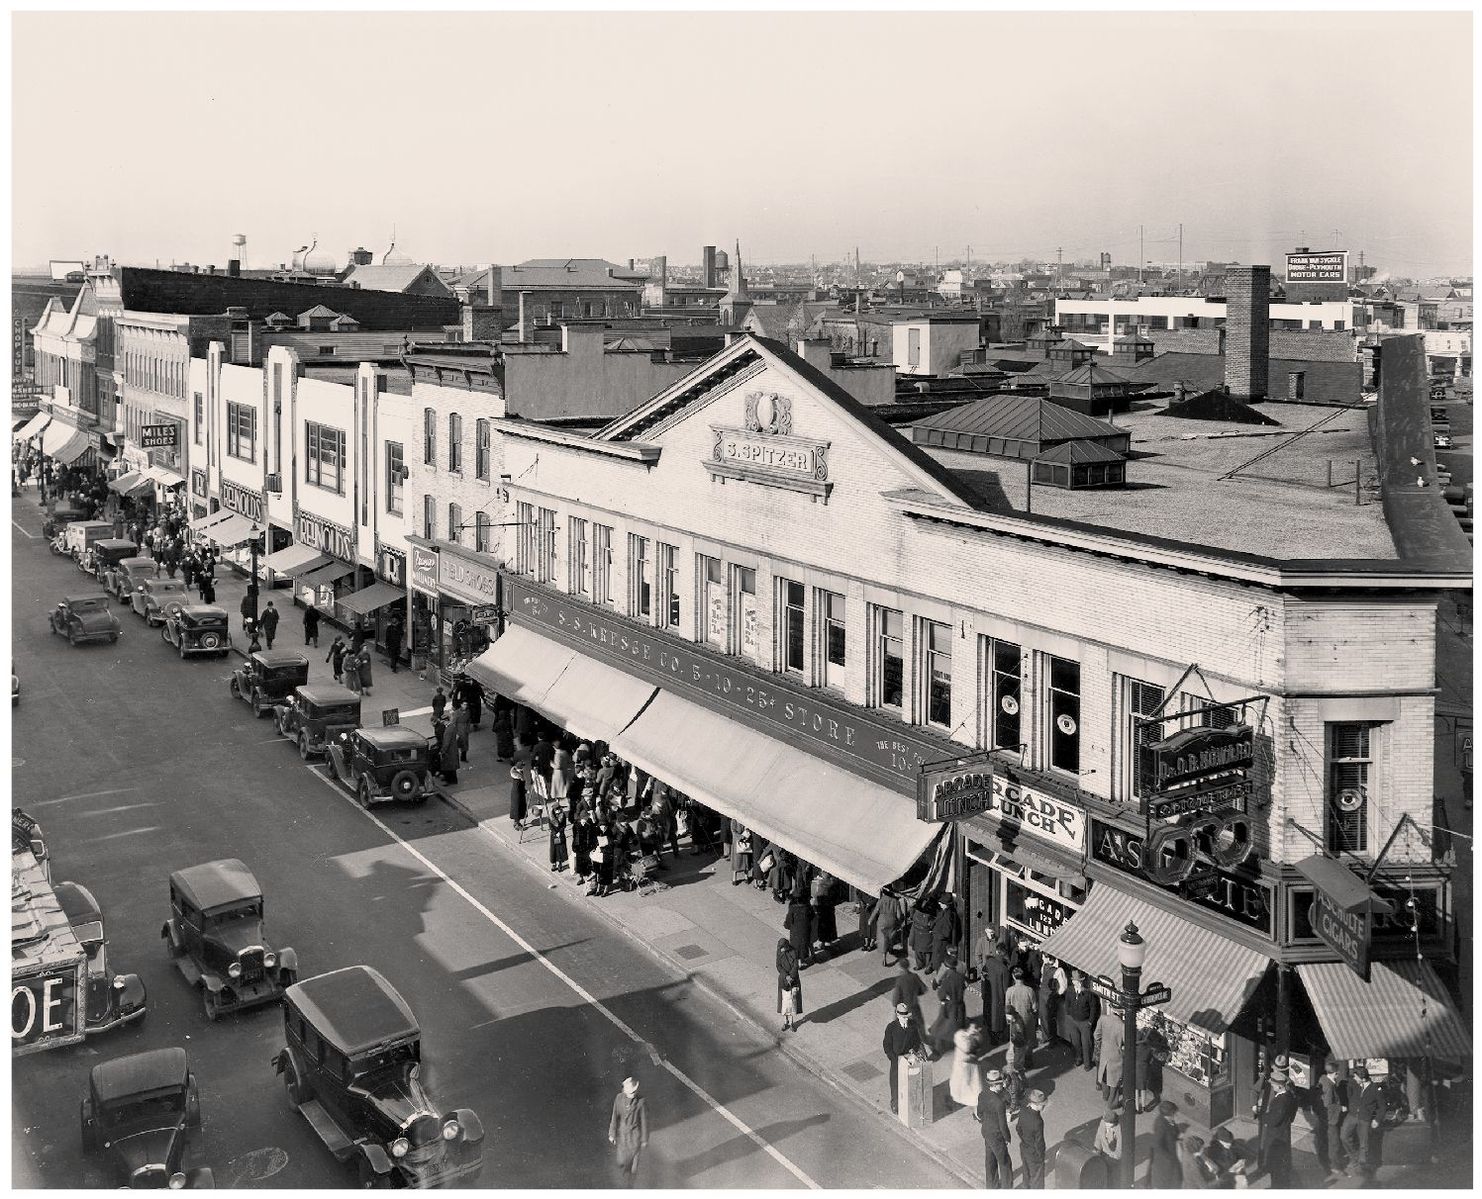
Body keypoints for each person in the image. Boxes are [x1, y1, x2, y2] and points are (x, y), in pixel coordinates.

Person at [1341, 1065, 1383, 1181]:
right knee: (1344, 1136)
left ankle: (1362, 1168)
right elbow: (1348, 1095)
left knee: (1364, 1144)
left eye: (1356, 1076)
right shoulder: (1354, 1084)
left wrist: (1377, 1119)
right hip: (1352, 1115)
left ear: (1362, 1077)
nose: (1354, 1078)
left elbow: (1382, 1107)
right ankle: (1354, 1158)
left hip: (1365, 1118)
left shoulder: (1375, 1089)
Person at [1257, 1070, 1298, 1188]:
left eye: (1274, 1085)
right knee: (1280, 1165)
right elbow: (1292, 1115)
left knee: (1276, 1166)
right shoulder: (1290, 1095)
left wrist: (1262, 1115)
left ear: (1280, 1086)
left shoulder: (1281, 1101)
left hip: (1277, 1136)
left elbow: (1273, 1120)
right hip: (1284, 1133)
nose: (1272, 1086)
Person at [608, 1076, 649, 1188]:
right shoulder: (618, 1098)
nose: (633, 1094)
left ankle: (630, 1186)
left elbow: (644, 1121)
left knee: (633, 1167)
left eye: (635, 1091)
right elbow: (614, 1117)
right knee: (622, 1162)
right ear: (624, 1091)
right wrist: (612, 1133)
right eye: (631, 1092)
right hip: (623, 1136)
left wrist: (644, 1140)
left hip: (635, 1136)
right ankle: (627, 1176)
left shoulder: (641, 1101)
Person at [883, 1001, 923, 1114]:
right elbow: (887, 1045)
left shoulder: (913, 1026)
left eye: (907, 1017)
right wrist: (893, 1058)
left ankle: (908, 1102)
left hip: (909, 1058)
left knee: (909, 1081)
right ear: (898, 1015)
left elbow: (917, 1041)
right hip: (896, 1060)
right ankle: (895, 1103)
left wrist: (913, 1051)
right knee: (895, 1083)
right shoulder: (891, 1027)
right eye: (903, 1017)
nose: (906, 1019)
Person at [977, 1069, 1013, 1188]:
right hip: (997, 1135)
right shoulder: (999, 1103)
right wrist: (1007, 1138)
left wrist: (987, 1123)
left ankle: (991, 1186)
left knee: (990, 1160)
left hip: (986, 1131)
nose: (1002, 1085)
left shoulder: (982, 1094)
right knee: (1005, 1162)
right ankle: (1007, 1188)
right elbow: (1003, 1124)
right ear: (995, 1085)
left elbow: (979, 1113)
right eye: (1001, 1083)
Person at [930, 949, 968, 1056]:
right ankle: (961, 1048)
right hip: (960, 1005)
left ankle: (938, 1048)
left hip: (949, 1006)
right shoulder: (960, 978)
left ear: (947, 967)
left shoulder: (947, 980)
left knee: (941, 1026)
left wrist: (943, 999)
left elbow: (941, 994)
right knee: (958, 1027)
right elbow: (964, 987)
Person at [1316, 1057, 1348, 1178]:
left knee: (1325, 1142)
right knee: (1334, 1143)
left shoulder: (1323, 1080)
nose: (1338, 1075)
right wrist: (1341, 1108)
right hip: (1331, 1119)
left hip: (1324, 1119)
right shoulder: (1330, 1086)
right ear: (1334, 1073)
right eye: (1337, 1073)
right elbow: (1328, 1105)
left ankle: (1326, 1163)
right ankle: (1335, 1166)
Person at [980, 934, 1012, 1043]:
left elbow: (983, 977)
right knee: (997, 1019)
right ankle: (996, 1037)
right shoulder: (1004, 969)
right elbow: (1005, 988)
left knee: (989, 1016)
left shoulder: (989, 962)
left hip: (989, 995)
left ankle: (991, 1035)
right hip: (998, 998)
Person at [1005, 966, 1038, 1070]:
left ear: (1014, 977)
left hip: (1015, 1020)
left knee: (1017, 1043)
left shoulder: (1010, 990)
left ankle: (1018, 1064)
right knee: (1028, 1041)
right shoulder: (1029, 990)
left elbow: (1007, 1007)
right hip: (1027, 1019)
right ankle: (1029, 1062)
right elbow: (1035, 1007)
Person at [1094, 1001, 1126, 1103]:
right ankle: (1112, 1102)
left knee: (1104, 1075)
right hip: (1116, 1056)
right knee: (1114, 1081)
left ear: (1111, 1009)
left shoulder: (1103, 1019)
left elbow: (1096, 1035)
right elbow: (1126, 1043)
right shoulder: (1123, 1026)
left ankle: (1105, 1096)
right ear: (1121, 1012)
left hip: (1104, 1053)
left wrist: (1103, 1043)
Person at [1016, 1088, 1048, 1189]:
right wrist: (1041, 1155)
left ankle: (1025, 1188)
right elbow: (1039, 1142)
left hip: (1024, 1147)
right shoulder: (1038, 1121)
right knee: (1037, 1179)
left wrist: (1025, 1140)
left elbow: (1018, 1128)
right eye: (1042, 1104)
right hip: (1034, 1153)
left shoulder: (1023, 1111)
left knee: (1026, 1172)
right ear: (1037, 1105)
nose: (1043, 1106)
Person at [948, 1025, 985, 1110]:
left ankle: (968, 1098)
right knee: (965, 1080)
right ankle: (963, 1097)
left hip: (967, 1062)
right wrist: (971, 1036)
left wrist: (973, 1036)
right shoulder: (960, 1035)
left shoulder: (972, 1036)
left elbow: (976, 1046)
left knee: (969, 1081)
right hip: (964, 1063)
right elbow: (967, 1048)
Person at [1149, 1098, 1182, 1188]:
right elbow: (1157, 1144)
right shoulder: (1161, 1126)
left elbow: (1174, 1132)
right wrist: (1169, 1157)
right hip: (1166, 1162)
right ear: (1170, 1114)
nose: (1176, 1115)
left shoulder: (1168, 1121)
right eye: (1174, 1113)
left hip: (1171, 1157)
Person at [1135, 1025, 1169, 1112]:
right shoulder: (1149, 1049)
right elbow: (1153, 1058)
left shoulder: (1137, 1047)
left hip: (1136, 1067)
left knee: (1136, 1088)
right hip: (1144, 1068)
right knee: (1143, 1088)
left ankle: (1136, 1106)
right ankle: (1143, 1106)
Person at [891, 960, 928, 1039]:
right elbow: (924, 989)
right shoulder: (914, 976)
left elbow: (895, 999)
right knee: (919, 1027)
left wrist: (895, 1004)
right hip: (915, 1007)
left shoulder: (900, 980)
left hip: (903, 1009)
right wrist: (916, 993)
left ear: (900, 968)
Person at [1036, 954, 1066, 1048]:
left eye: (1044, 957)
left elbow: (1063, 986)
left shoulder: (1059, 970)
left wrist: (1056, 994)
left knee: (1050, 1018)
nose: (1042, 958)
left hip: (1050, 996)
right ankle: (1046, 1037)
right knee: (1043, 1016)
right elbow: (1042, 978)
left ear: (1049, 958)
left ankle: (1051, 1040)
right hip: (1043, 994)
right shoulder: (1044, 966)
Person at [929, 894, 961, 973]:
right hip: (938, 939)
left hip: (941, 941)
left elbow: (947, 932)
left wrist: (937, 933)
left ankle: (939, 975)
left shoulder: (948, 915)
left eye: (941, 903)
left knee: (939, 958)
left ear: (946, 905)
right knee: (936, 957)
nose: (939, 904)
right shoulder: (943, 911)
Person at [776, 937, 802, 1033]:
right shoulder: (779, 951)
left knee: (792, 1002)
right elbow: (778, 965)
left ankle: (791, 1023)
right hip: (783, 979)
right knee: (784, 1002)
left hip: (793, 979)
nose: (781, 949)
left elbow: (795, 966)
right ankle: (785, 1021)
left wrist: (791, 976)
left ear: (786, 946)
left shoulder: (794, 952)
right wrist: (786, 976)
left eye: (782, 947)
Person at [784, 895, 813, 969]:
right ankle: (802, 961)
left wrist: (786, 925)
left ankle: (797, 962)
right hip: (805, 929)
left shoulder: (793, 908)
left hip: (795, 929)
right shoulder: (808, 907)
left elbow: (789, 919)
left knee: (795, 945)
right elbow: (812, 917)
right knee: (803, 944)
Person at [876, 889, 903, 966]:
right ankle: (891, 949)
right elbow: (899, 915)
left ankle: (884, 958)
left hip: (882, 921)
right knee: (891, 936)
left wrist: (871, 920)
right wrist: (899, 921)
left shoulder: (881, 901)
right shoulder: (896, 901)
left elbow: (876, 911)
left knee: (883, 939)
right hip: (892, 921)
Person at [551, 741, 574, 810]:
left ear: (554, 747)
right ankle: (568, 802)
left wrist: (551, 763)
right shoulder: (565, 752)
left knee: (557, 787)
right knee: (565, 787)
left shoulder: (557, 754)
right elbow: (569, 761)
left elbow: (557, 766)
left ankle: (557, 802)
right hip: (565, 770)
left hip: (558, 773)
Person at [547, 800, 569, 872]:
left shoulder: (563, 815)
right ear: (554, 810)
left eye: (559, 809)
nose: (558, 811)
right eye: (557, 809)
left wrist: (560, 832)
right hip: (553, 835)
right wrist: (555, 833)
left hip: (561, 834)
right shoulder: (550, 817)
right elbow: (550, 826)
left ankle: (560, 864)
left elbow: (564, 825)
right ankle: (554, 864)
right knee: (554, 850)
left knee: (560, 850)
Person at [439, 719, 460, 786]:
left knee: (448, 766)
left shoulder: (448, 730)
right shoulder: (452, 727)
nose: (442, 723)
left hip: (449, 751)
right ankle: (454, 780)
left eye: (443, 722)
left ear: (446, 721)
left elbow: (446, 743)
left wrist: (442, 751)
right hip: (453, 749)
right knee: (452, 766)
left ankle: (449, 780)